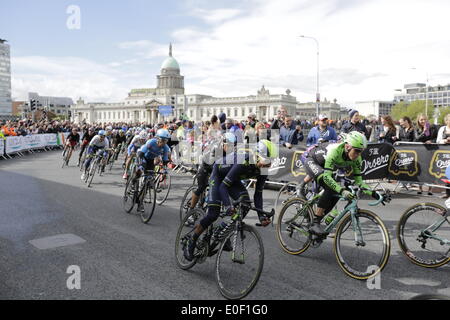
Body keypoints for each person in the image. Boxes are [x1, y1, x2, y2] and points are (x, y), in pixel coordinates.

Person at [184, 138, 278, 261]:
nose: (267, 166)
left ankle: (222, 230)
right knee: (213, 214)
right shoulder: (243, 161)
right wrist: (228, 206)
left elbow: (258, 194)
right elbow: (223, 186)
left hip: (233, 180)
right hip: (218, 175)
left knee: (245, 205)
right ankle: (192, 240)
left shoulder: (263, 169)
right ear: (256, 155)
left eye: (270, 163)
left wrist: (261, 216)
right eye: (266, 162)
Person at [302, 131, 386, 235]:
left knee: (336, 194)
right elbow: (327, 177)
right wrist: (342, 191)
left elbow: (359, 182)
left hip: (324, 164)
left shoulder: (357, 158)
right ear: (347, 147)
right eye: (357, 151)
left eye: (361, 151)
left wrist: (375, 194)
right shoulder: (334, 151)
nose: (358, 155)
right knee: (330, 187)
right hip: (312, 160)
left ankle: (316, 219)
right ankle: (315, 223)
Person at [134, 129, 171, 211]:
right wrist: (140, 166)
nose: (164, 143)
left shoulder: (165, 147)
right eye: (163, 140)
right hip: (143, 157)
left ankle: (140, 202)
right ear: (158, 138)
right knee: (140, 170)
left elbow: (165, 160)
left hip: (150, 161)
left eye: (166, 141)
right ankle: (134, 181)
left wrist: (164, 170)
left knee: (148, 181)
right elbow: (141, 153)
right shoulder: (151, 142)